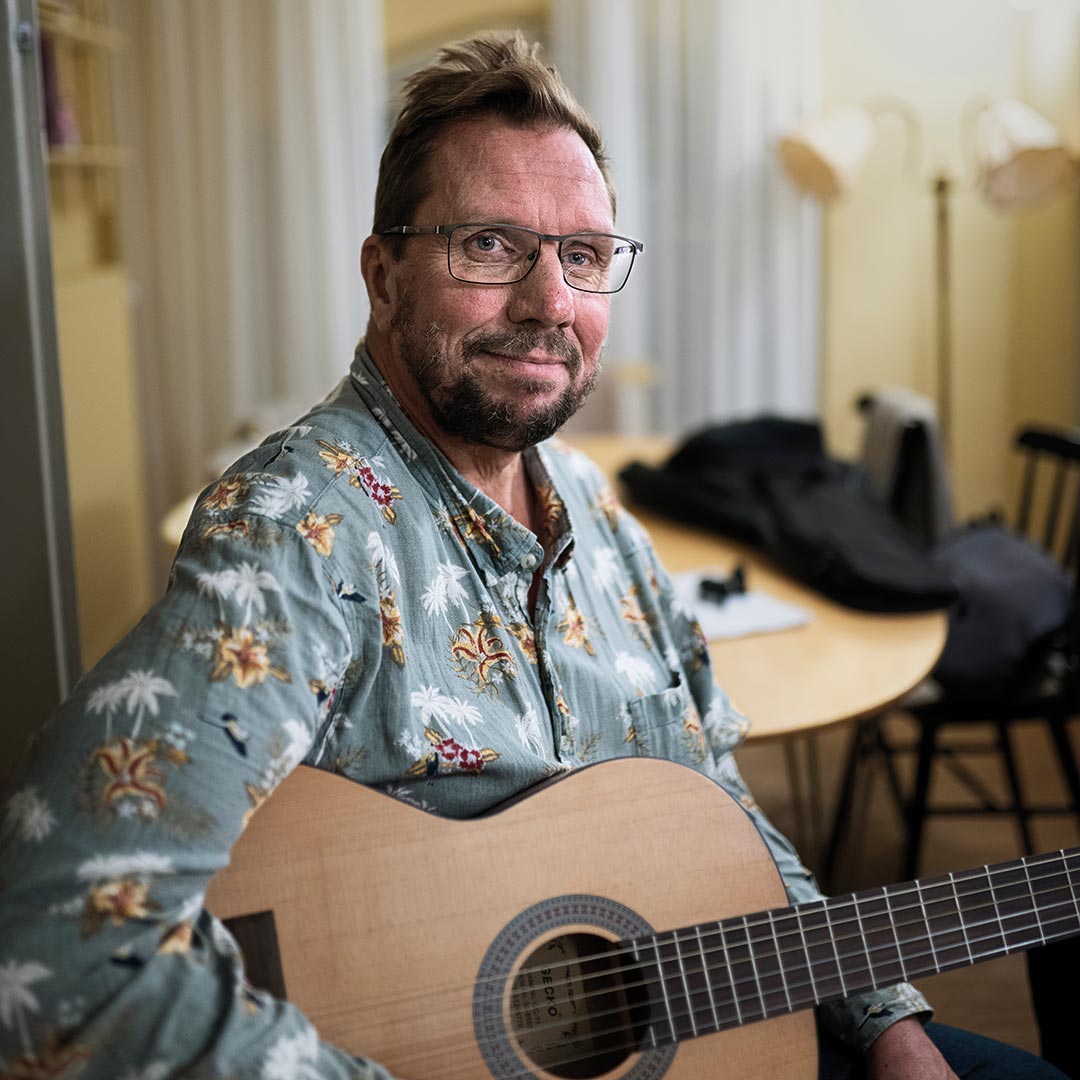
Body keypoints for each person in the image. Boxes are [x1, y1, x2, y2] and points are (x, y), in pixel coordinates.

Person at [0, 32, 1065, 1080]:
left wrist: (886, 1022)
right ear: (384, 275)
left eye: (585, 257)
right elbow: (57, 943)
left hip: (694, 1024)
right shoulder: (297, 534)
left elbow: (721, 802)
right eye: (491, 247)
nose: (552, 303)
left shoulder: (602, 516)